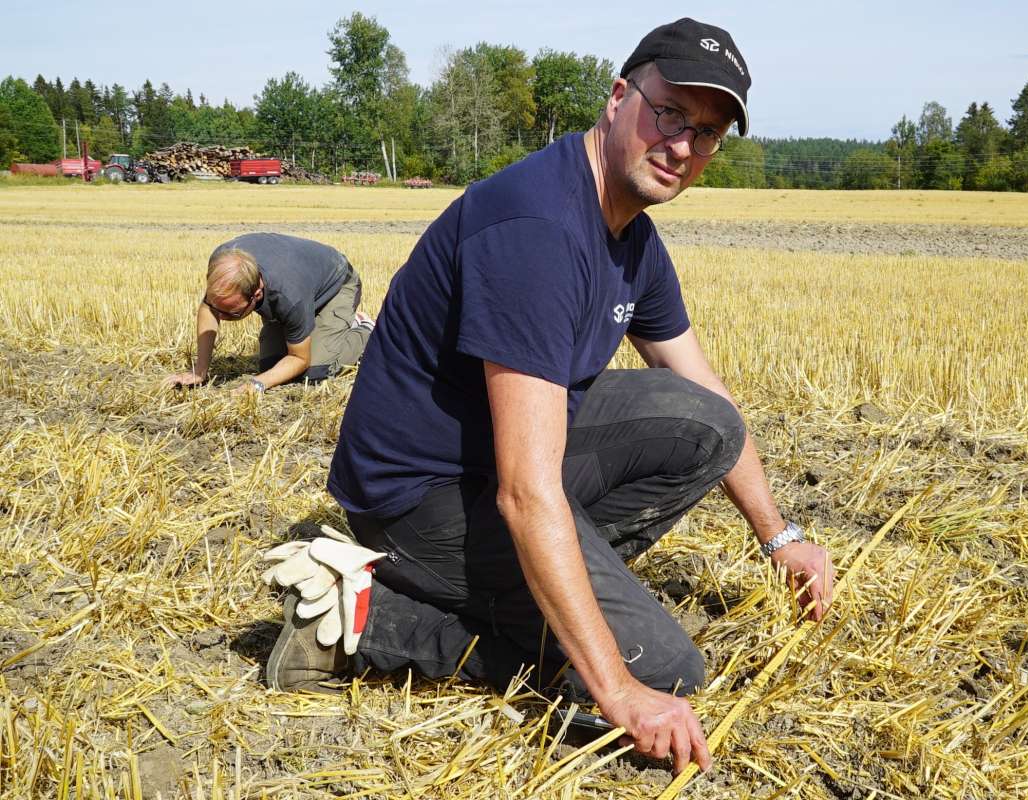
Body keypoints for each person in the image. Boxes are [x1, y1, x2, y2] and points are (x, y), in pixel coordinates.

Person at [265, 18, 835, 775]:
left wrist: (779, 535)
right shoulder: (538, 228)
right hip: (418, 496)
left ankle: (533, 589)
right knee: (663, 668)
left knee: (706, 425)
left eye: (707, 133)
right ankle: (373, 619)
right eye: (670, 114)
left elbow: (704, 388)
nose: (683, 146)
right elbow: (527, 493)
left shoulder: (630, 235)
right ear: (618, 96)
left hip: (493, 465)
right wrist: (622, 689)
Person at [165, 233, 374, 393]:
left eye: (233, 313)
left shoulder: (289, 297)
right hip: (299, 283)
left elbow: (300, 359)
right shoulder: (223, 264)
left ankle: (364, 330)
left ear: (256, 294)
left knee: (315, 372)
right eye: (218, 310)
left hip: (336, 285)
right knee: (271, 366)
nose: (222, 317)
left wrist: (257, 385)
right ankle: (313, 328)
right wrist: (200, 371)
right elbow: (208, 308)